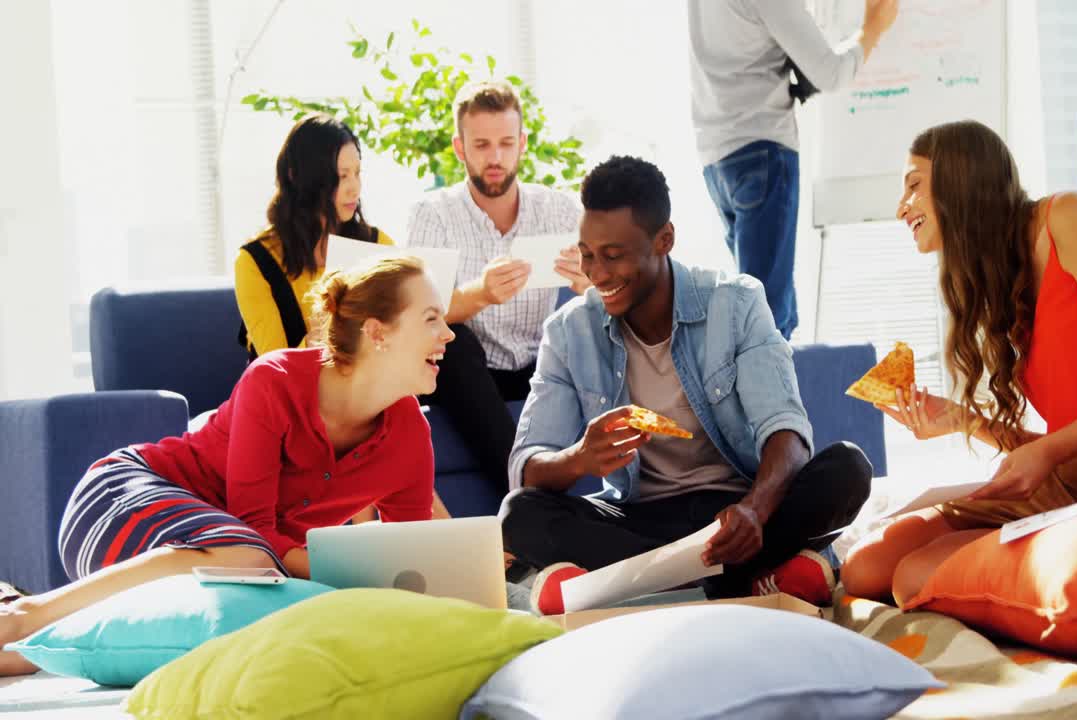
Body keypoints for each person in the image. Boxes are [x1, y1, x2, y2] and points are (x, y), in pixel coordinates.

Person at [0, 257, 454, 676]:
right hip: (123, 499)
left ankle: (25, 652)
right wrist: (339, 573)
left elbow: (409, 558)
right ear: (378, 333)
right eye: (430, 319)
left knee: (268, 592)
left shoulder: (410, 435)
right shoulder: (275, 380)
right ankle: (26, 616)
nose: (448, 333)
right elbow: (252, 526)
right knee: (253, 560)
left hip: (224, 561)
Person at [841, 120, 1077, 607]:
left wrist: (1047, 455)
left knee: (913, 577)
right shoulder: (1006, 279)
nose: (901, 208)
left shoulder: (1071, 218)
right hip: (1071, 480)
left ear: (960, 179)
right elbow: (1064, 448)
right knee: (865, 566)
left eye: (914, 185)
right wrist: (960, 420)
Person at [500, 156, 874, 616]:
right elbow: (529, 463)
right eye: (588, 255)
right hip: (639, 519)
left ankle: (642, 587)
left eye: (614, 256)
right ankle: (749, 580)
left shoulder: (735, 303)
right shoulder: (568, 330)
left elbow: (786, 431)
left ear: (665, 240)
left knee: (848, 469)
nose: (596, 275)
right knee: (519, 514)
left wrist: (755, 511)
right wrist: (579, 458)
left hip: (735, 512)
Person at [406, 80, 588, 499]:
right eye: (482, 145)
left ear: (522, 144)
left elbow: (611, 294)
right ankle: (527, 495)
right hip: (471, 374)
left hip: (538, 366)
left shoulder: (559, 210)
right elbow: (419, 316)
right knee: (451, 342)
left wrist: (588, 286)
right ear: (459, 147)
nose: (495, 158)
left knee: (592, 325)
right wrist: (481, 294)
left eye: (506, 143)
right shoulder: (433, 214)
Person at [688, 0, 899, 339]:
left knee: (764, 307)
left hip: (717, 157)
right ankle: (765, 391)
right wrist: (874, 25)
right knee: (767, 318)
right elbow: (830, 73)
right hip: (761, 149)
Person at [235, 113, 395, 359]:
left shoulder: (377, 245)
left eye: (357, 173)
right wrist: (330, 322)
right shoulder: (256, 262)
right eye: (342, 176)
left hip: (368, 391)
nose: (355, 187)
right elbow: (274, 370)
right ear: (297, 177)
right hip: (291, 393)